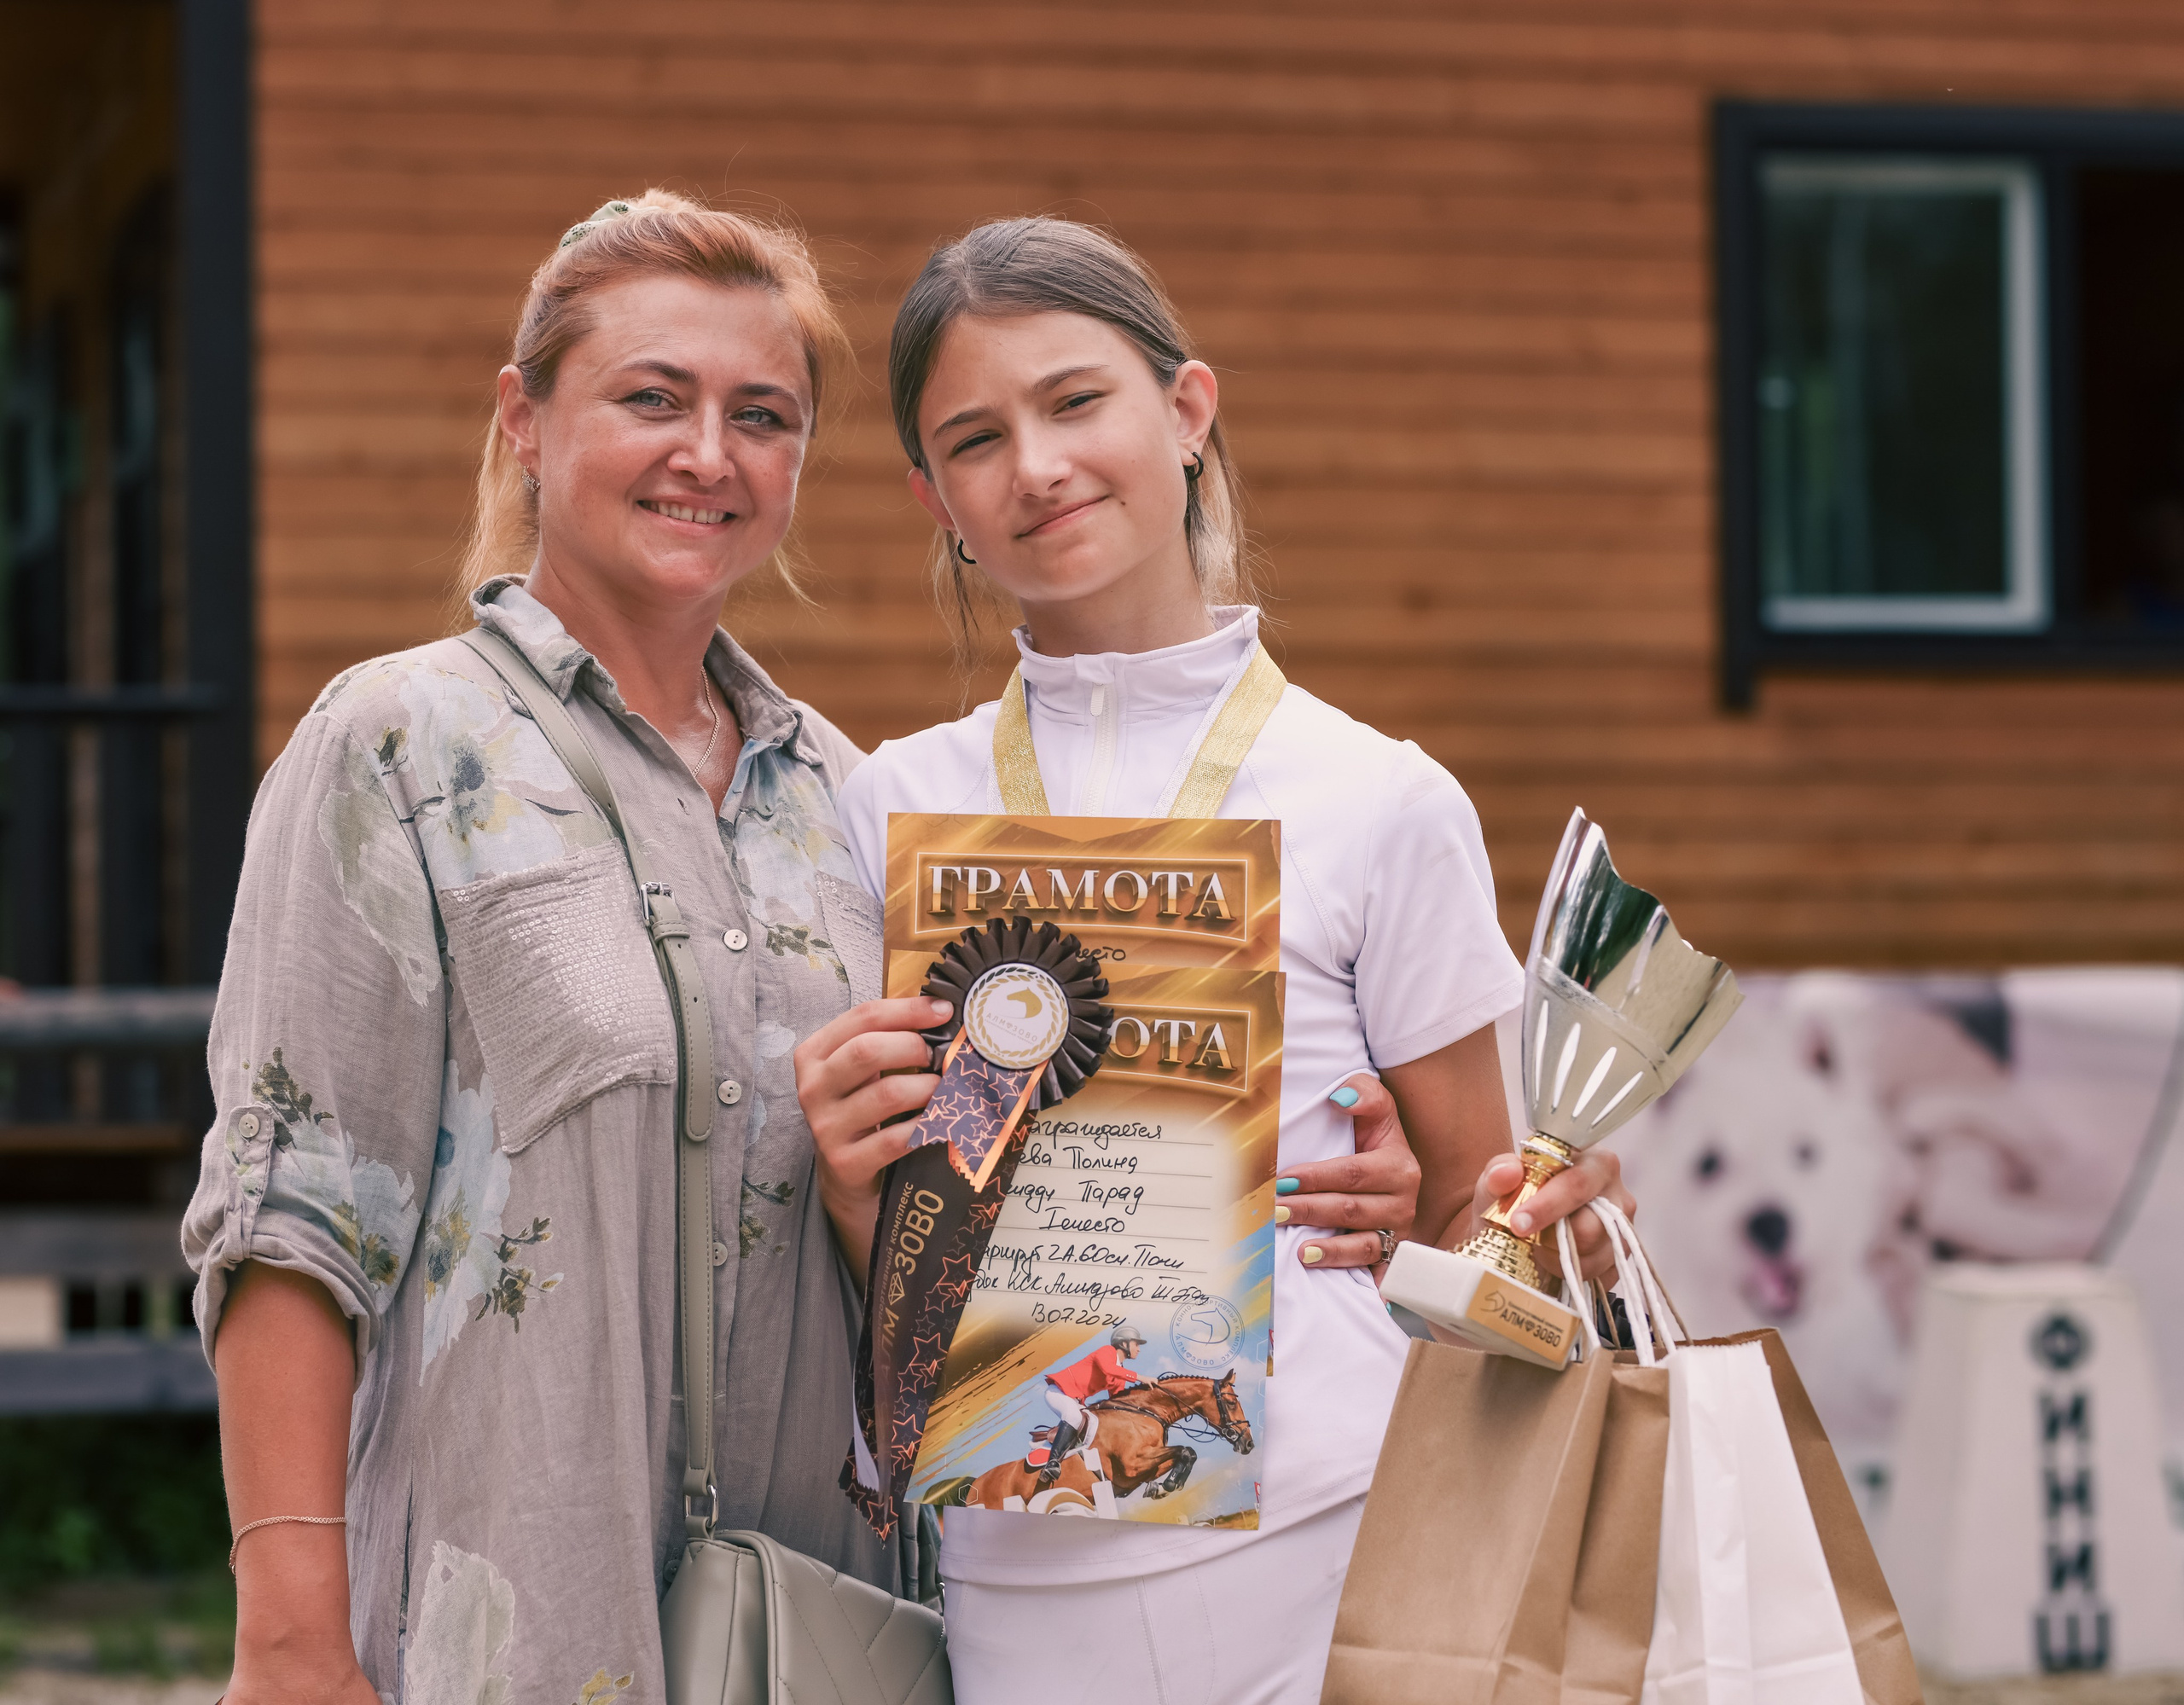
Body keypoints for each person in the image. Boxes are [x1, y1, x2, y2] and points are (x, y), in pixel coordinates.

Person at [793, 217, 1639, 1702]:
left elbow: (1475, 1208)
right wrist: (860, 1181)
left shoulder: (1380, 794)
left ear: (1187, 412)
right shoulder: (889, 807)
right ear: (938, 500)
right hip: (1019, 1552)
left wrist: (1531, 1209)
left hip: (1335, 1541)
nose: (1038, 466)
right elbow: (901, 1262)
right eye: (977, 439)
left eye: (1075, 402)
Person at [181, 191, 892, 1704]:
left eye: (760, 414)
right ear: (525, 419)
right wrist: (292, 1642)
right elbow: (292, 1218)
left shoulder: (846, 796)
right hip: (506, 1633)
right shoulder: (396, 742)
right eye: (653, 397)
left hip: (820, 1635)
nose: (710, 451)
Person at [1038, 1322, 1146, 1489]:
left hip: (1076, 1401)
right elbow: (1108, 1369)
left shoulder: (1121, 1375)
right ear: (1124, 1343)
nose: (1139, 1349)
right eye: (1136, 1344)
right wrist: (1140, 1377)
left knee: (1096, 1424)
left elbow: (1116, 1401)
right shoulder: (1107, 1351)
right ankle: (1052, 1463)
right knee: (1073, 1416)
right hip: (1058, 1392)